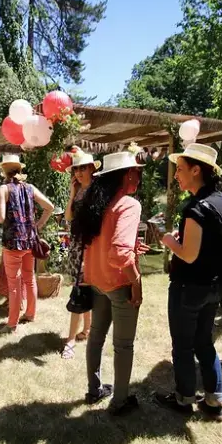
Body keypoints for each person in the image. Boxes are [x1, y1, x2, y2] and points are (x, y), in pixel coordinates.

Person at [156, 143, 222, 421]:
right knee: (204, 342)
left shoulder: (196, 207)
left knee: (184, 345)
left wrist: (169, 241)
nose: (176, 175)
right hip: (214, 287)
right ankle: (214, 399)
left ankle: (185, 397)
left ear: (196, 170)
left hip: (190, 288)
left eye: (181, 169)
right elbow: (209, 243)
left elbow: (188, 254)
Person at [71, 151, 144, 416]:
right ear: (127, 174)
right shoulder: (128, 204)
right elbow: (119, 253)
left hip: (96, 280)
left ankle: (94, 389)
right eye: (137, 171)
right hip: (118, 283)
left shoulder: (97, 202)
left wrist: (134, 248)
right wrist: (136, 281)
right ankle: (120, 401)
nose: (139, 175)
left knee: (97, 337)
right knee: (123, 345)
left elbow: (105, 243)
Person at [0, 155, 55, 333]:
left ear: (4, 170)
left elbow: (0, 218)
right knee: (29, 279)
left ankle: (12, 323)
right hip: (30, 241)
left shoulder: (3, 189)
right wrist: (38, 224)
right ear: (20, 169)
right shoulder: (30, 188)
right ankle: (30, 314)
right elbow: (50, 207)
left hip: (12, 244)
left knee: (14, 284)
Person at [61, 147, 99, 359]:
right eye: (76, 169)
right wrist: (72, 194)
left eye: (83, 168)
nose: (78, 172)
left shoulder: (97, 191)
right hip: (77, 245)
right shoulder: (80, 191)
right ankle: (87, 329)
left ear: (92, 168)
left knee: (80, 290)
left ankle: (71, 339)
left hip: (89, 247)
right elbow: (68, 217)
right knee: (82, 288)